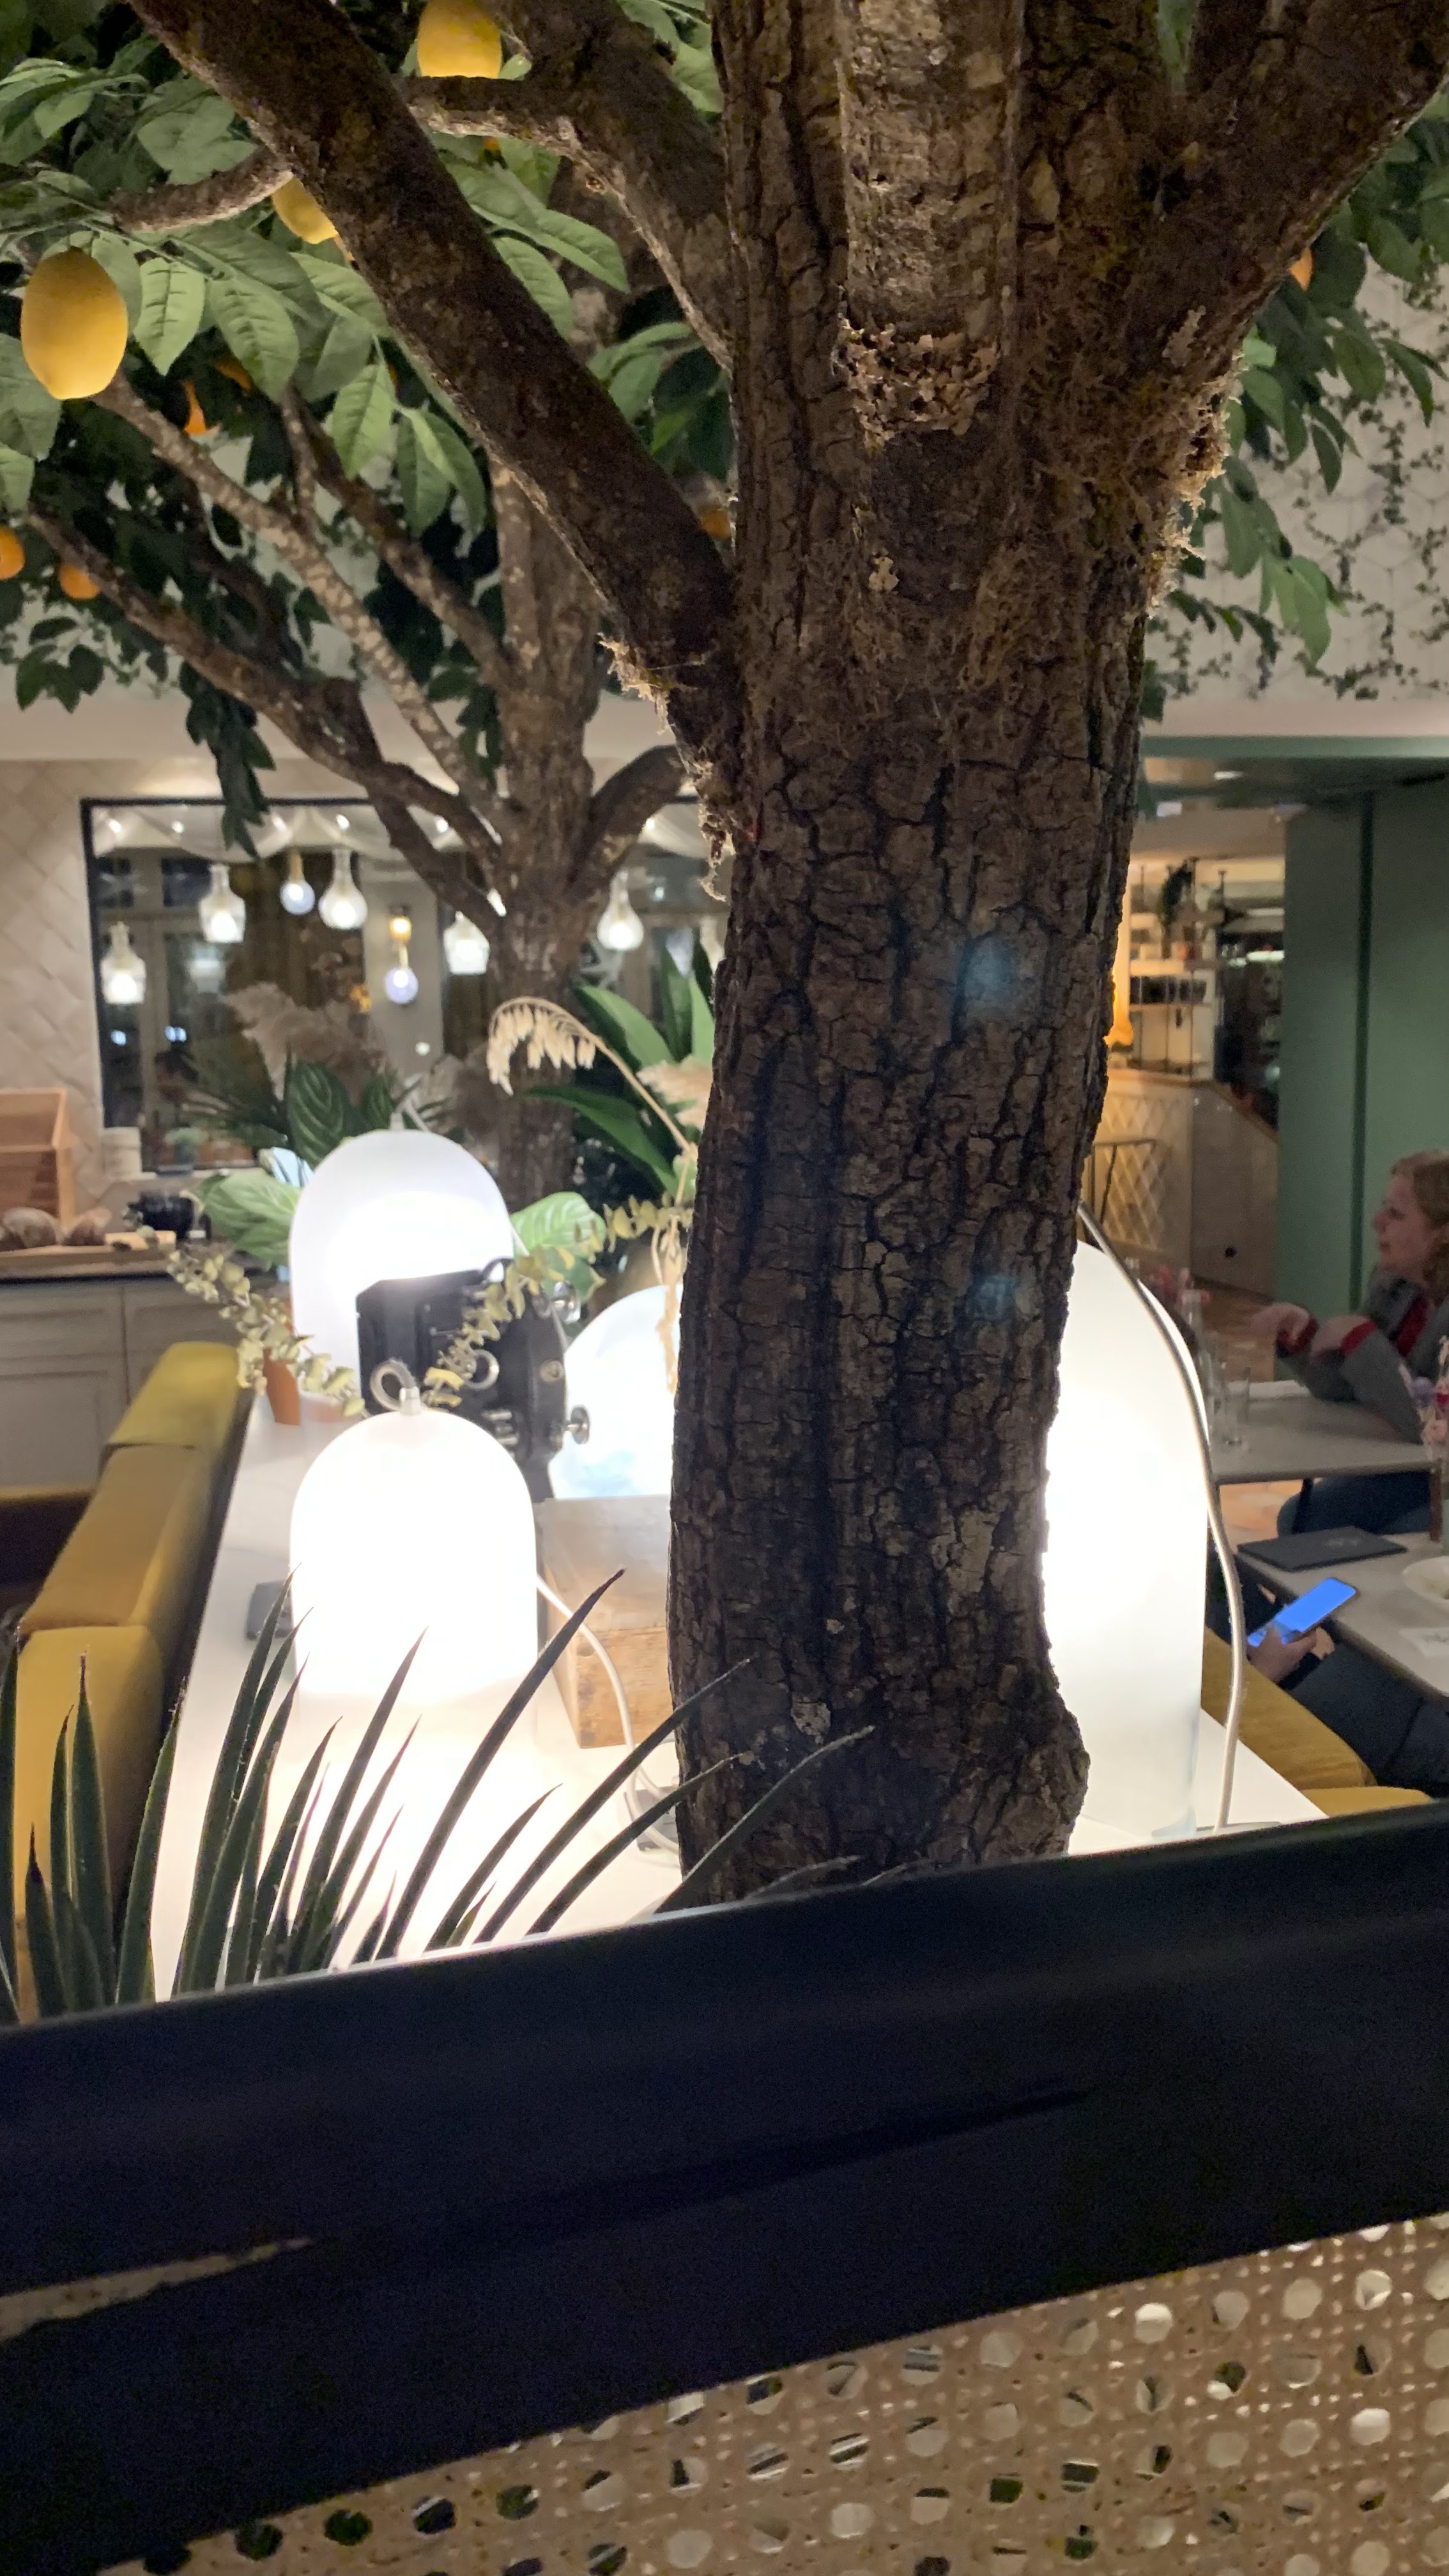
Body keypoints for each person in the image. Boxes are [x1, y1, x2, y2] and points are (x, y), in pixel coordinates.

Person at [1252, 1149, 1449, 1536]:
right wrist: (1306, 1340)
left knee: (1378, 1537)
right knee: (1301, 1519)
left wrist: (1360, 1338)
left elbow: (1432, 1424)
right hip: (1410, 1467)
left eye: (1396, 1214)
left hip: (1440, 1479)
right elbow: (1351, 1387)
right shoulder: (1394, 1286)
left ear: (1443, 1235)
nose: (1377, 1222)